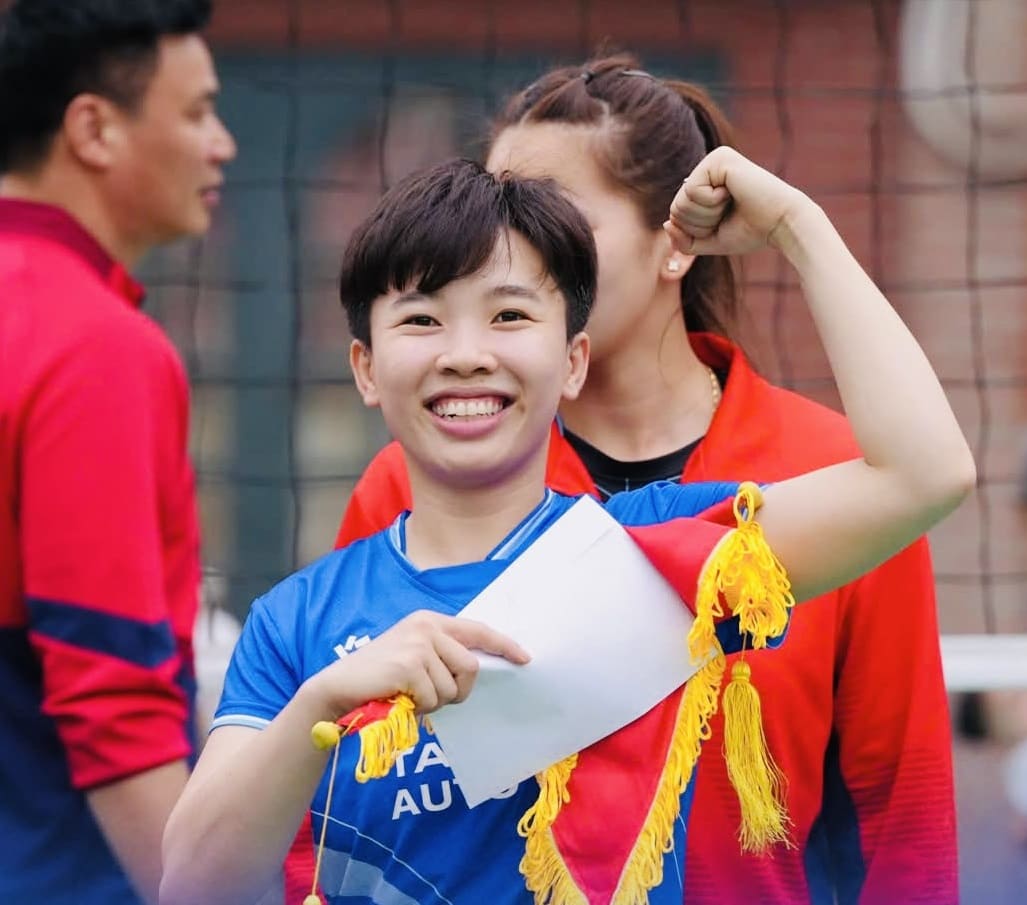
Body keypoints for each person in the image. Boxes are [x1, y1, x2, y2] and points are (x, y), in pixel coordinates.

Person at [159, 152, 973, 905]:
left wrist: (799, 226)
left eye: (509, 315)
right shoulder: (295, 623)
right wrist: (326, 702)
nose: (466, 353)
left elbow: (923, 476)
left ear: (573, 360)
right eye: (420, 320)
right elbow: (193, 883)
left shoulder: (651, 552)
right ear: (366, 368)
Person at [334, 55, 959, 905]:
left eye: (549, 215)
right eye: (498, 211)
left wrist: (796, 225)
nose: (502, 251)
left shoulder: (836, 475)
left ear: (676, 244)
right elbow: (342, 802)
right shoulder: (413, 479)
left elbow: (902, 817)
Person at [0, 2, 236, 903]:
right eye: (195, 112)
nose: (222, 145)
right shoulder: (93, 344)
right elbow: (112, 700)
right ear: (93, 127)